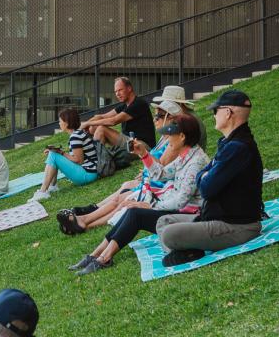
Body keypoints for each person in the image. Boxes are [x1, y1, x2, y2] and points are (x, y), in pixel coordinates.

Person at [71, 114, 209, 274]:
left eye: (170, 134)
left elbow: (180, 201)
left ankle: (104, 258)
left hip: (188, 217)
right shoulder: (186, 156)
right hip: (177, 212)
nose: (167, 139)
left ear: (182, 136)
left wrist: (150, 205)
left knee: (136, 214)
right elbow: (161, 174)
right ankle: (95, 255)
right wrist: (143, 154)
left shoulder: (195, 162)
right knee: (133, 210)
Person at [155, 90, 264, 266]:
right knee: (163, 221)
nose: (213, 115)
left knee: (169, 234)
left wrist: (205, 175)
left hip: (237, 226)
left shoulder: (238, 147)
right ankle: (189, 250)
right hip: (214, 217)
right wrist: (205, 175)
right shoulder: (228, 143)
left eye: (216, 111)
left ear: (228, 113)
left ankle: (186, 251)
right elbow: (204, 175)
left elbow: (206, 188)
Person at [57, 99, 184, 235]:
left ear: (170, 118)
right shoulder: (165, 138)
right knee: (122, 192)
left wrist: (143, 154)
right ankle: (85, 218)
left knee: (122, 201)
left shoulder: (173, 141)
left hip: (158, 187)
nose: (155, 120)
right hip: (153, 182)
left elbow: (160, 170)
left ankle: (84, 222)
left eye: (158, 116)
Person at [80, 76, 157, 166]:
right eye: (116, 91)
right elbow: (102, 116)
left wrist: (88, 123)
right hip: (130, 141)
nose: (117, 94)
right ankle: (93, 158)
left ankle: (96, 162)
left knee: (101, 129)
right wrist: (84, 126)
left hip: (143, 146)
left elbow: (113, 121)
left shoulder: (138, 104)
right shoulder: (125, 105)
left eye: (120, 90)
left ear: (129, 88)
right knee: (94, 127)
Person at [33, 107, 99, 202]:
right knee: (53, 154)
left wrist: (61, 152)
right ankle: (52, 186)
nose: (59, 123)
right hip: (90, 172)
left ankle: (43, 191)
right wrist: (58, 151)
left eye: (60, 121)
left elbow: (78, 160)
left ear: (67, 122)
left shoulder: (75, 136)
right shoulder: (78, 133)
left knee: (53, 155)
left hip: (87, 174)